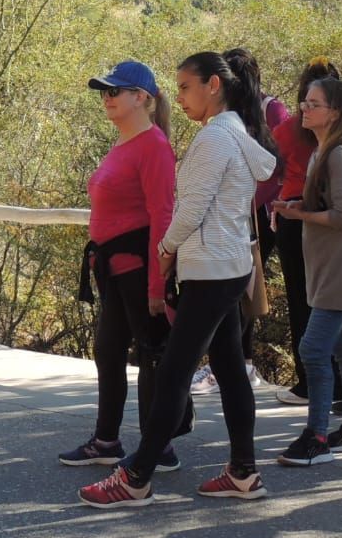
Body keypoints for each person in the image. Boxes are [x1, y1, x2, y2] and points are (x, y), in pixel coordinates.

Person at [78, 52, 278, 507]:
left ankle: (136, 476)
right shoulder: (235, 134)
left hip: (210, 269)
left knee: (172, 373)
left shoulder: (214, 139)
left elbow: (190, 209)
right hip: (229, 267)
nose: (181, 97)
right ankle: (244, 472)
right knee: (228, 370)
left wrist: (165, 250)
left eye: (186, 87)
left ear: (213, 85)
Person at [59, 61, 178, 470]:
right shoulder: (125, 143)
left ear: (142, 98)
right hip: (114, 268)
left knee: (152, 354)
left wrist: (156, 286)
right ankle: (107, 440)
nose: (106, 98)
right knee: (109, 351)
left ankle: (158, 446)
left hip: (138, 266)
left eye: (114, 91)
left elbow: (162, 215)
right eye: (104, 92)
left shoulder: (154, 146)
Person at [271, 78, 342, 464]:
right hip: (328, 265)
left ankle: (316, 436)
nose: (304, 107)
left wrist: (300, 213)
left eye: (314, 103)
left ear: (335, 112)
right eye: (304, 101)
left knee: (313, 349)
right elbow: (329, 203)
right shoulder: (324, 151)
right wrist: (297, 204)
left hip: (341, 266)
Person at [226, 47, 289, 390]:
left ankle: (240, 365)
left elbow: (281, 164)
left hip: (260, 215)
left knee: (243, 289)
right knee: (233, 290)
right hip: (234, 213)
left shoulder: (271, 109)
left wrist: (251, 201)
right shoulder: (229, 116)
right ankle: (242, 364)